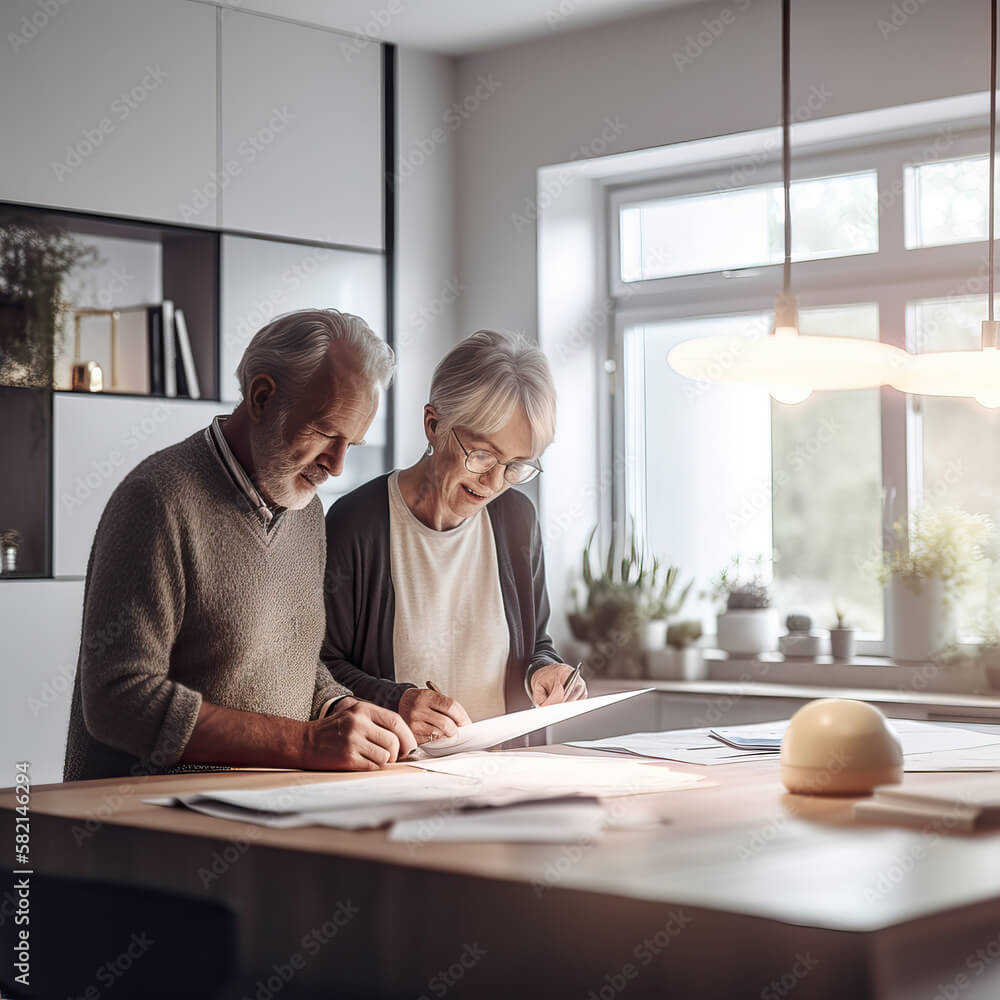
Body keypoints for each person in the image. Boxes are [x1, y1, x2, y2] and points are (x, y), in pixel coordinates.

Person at [63, 309, 416, 781]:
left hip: (262, 817)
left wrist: (338, 706)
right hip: (145, 829)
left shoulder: (306, 510)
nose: (335, 465)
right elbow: (116, 699)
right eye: (327, 434)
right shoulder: (157, 500)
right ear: (262, 396)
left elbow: (289, 663)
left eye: (351, 443)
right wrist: (306, 743)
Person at [321, 330, 586, 745]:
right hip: (393, 777)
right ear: (434, 424)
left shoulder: (518, 519)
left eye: (516, 465)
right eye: (481, 455)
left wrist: (545, 671)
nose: (495, 482)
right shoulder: (357, 522)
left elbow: (535, 642)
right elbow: (319, 666)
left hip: (506, 775)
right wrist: (397, 700)